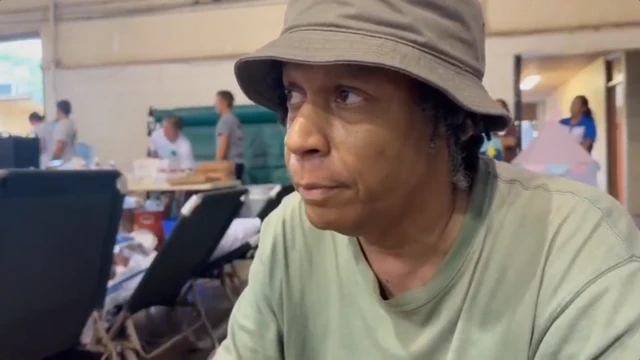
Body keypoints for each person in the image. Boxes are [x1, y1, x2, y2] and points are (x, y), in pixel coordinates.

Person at [214, 0, 640, 359]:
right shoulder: (291, 234)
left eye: (347, 95)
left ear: (454, 116)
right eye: (294, 95)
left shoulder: (570, 247)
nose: (298, 138)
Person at [214, 90, 245, 180]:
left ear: (223, 102)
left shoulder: (225, 121)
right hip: (239, 163)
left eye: (216, 102)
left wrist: (218, 164)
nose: (215, 105)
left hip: (229, 166)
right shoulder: (234, 120)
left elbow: (224, 142)